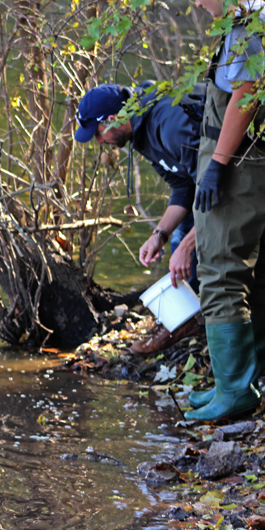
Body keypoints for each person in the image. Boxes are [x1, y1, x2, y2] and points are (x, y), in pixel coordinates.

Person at [171, 0, 265, 421]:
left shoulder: (247, 23)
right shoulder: (264, 16)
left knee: (222, 272)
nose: (197, 5)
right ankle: (244, 383)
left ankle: (234, 391)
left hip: (243, 167)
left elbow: (245, 93)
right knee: (258, 268)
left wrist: (217, 163)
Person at [74, 83, 204, 355]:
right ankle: (185, 320)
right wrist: (159, 235)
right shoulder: (139, 133)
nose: (99, 143)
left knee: (202, 250)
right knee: (178, 237)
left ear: (112, 120)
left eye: (97, 134)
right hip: (217, 191)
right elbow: (183, 186)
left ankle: (245, 340)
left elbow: (220, 190)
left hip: (252, 180)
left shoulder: (169, 126)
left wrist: (189, 246)